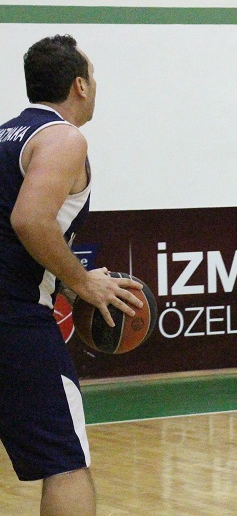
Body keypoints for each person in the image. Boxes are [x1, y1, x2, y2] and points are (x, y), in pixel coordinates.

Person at [0, 35, 145, 516]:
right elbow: (29, 220)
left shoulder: (5, 136)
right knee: (66, 465)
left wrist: (62, 278)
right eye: (93, 76)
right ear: (80, 85)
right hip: (15, 321)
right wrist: (82, 282)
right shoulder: (63, 138)